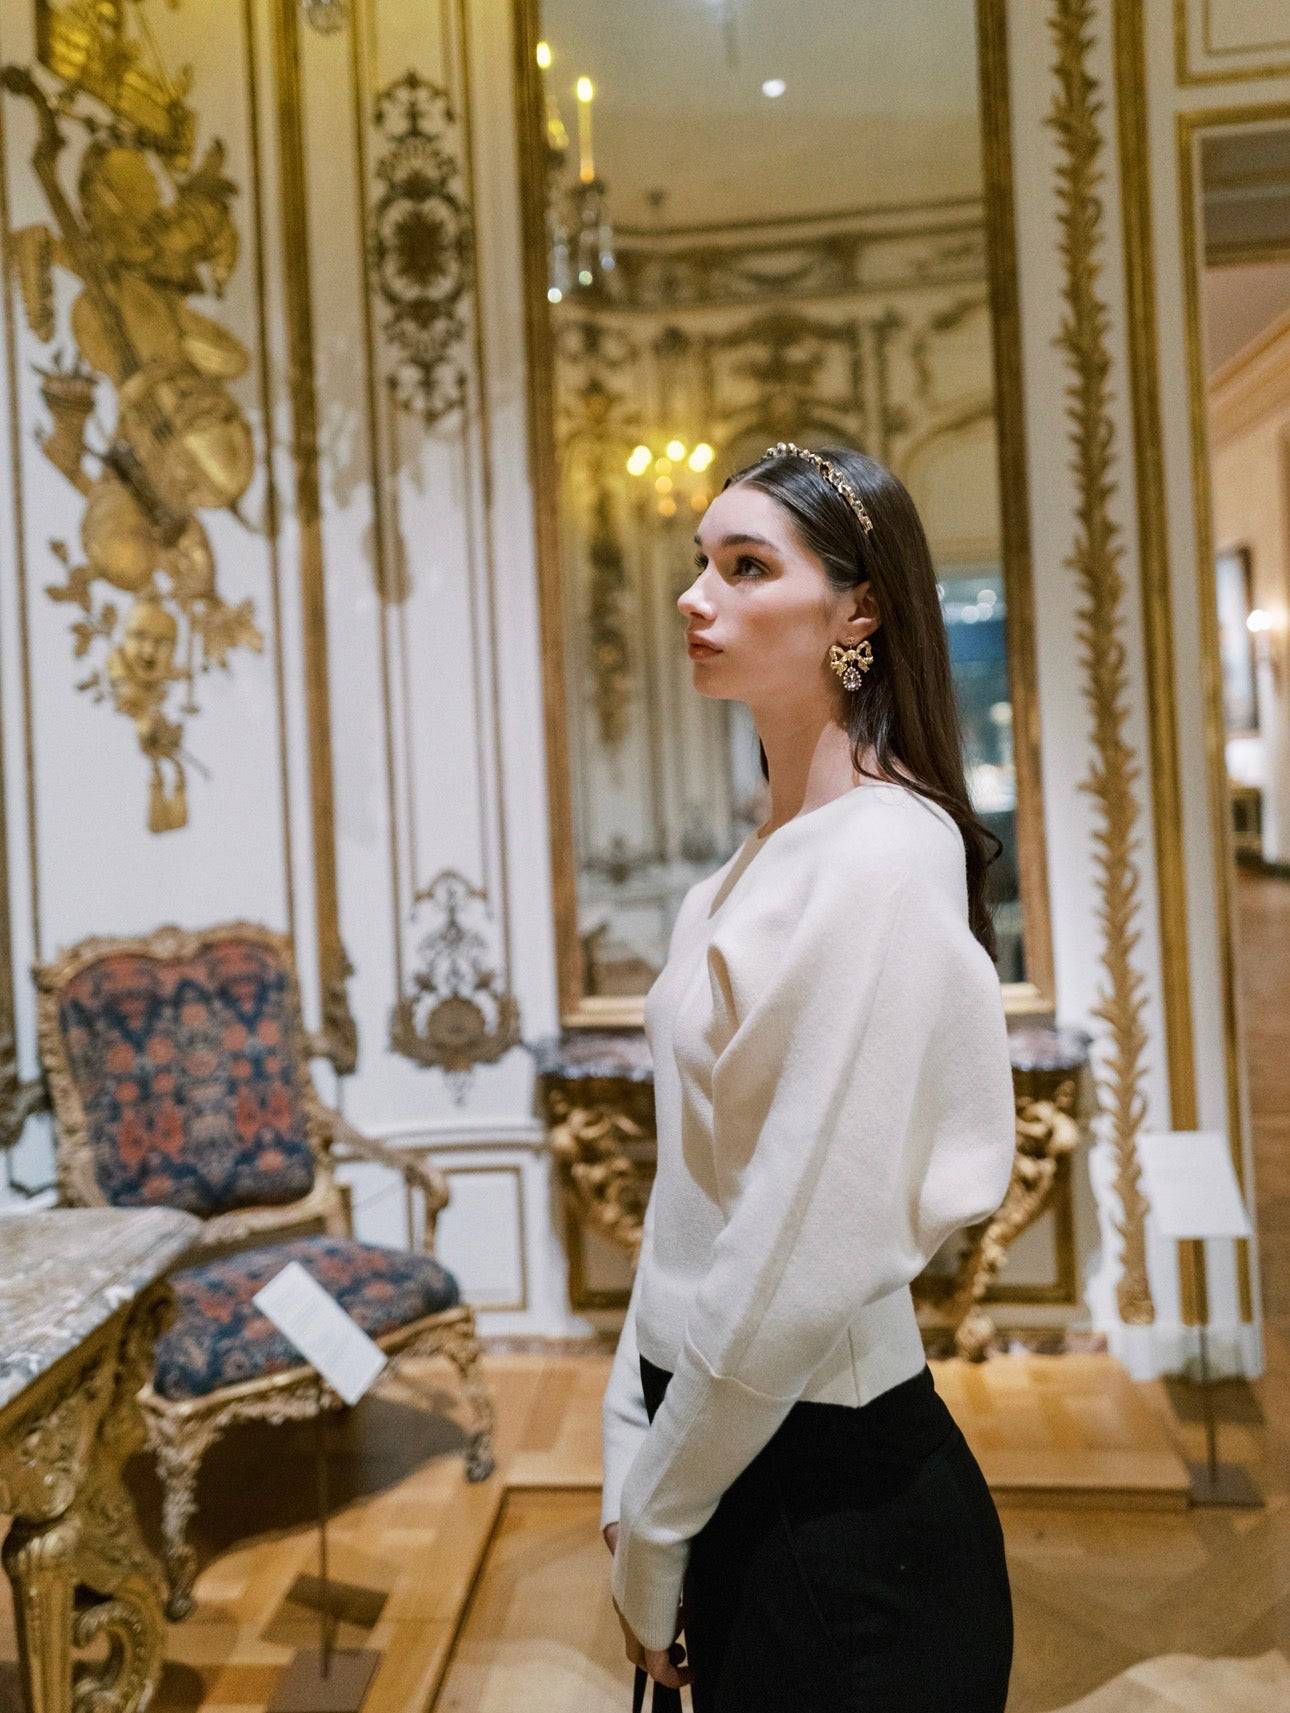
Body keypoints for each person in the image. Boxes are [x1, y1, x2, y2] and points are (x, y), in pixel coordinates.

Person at [599, 442, 1018, 1711]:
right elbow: (690, 1208)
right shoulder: (734, 876)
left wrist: (662, 1520)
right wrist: (633, 1462)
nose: (696, 596)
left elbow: (797, 1241)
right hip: (720, 1454)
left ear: (859, 608)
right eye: (698, 564)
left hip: (833, 1510)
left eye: (745, 566)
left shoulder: (886, 855)